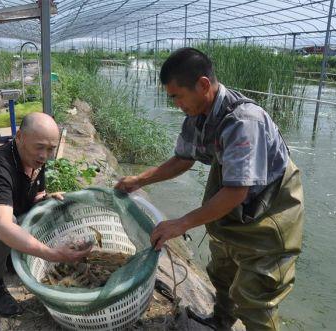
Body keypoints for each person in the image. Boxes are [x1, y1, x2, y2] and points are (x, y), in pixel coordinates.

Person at [115, 48, 304, 331]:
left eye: (177, 96)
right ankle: (221, 321)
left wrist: (181, 223)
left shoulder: (244, 121)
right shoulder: (197, 114)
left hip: (270, 210)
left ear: (203, 84)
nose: (176, 104)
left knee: (254, 296)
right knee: (222, 272)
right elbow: (183, 159)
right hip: (234, 203)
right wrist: (139, 180)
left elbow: (237, 191)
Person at [0, 113, 92, 316]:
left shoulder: (35, 161)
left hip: (2, 218)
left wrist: (46, 199)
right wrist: (52, 254)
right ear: (19, 138)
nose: (45, 155)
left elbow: (32, 200)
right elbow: (2, 226)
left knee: (46, 208)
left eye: (51, 149)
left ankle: (8, 257)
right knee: (0, 225)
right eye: (39, 147)